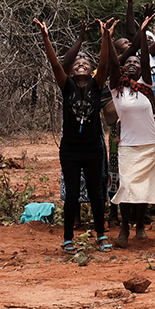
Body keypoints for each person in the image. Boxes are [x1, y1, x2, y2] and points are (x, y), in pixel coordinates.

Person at [38, 18, 114, 253]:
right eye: (77, 62)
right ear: (71, 69)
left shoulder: (97, 85)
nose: (81, 64)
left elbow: (104, 63)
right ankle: (68, 237)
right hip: (70, 150)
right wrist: (46, 38)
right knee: (71, 194)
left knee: (96, 194)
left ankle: (101, 235)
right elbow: (54, 64)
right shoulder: (66, 85)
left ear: (91, 70)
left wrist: (104, 37)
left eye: (85, 62)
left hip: (93, 149)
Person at [106, 14, 155, 248]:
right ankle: (124, 229)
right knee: (127, 186)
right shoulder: (116, 89)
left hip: (151, 145)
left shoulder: (147, 87)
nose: (132, 64)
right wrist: (107, 38)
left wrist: (142, 31)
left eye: (137, 63)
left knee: (144, 189)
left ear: (143, 70)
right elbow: (111, 63)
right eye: (128, 62)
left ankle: (140, 225)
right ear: (122, 68)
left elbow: (146, 54)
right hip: (128, 145)